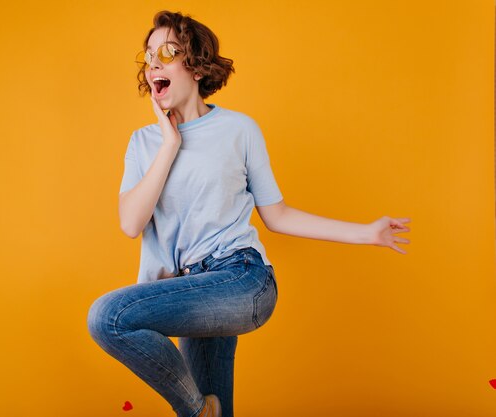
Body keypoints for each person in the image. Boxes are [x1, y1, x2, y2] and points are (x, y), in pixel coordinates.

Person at [87, 10, 411, 417]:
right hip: (191, 288)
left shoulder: (239, 130)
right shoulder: (144, 142)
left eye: (167, 51)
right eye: (147, 55)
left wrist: (367, 233)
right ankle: (201, 409)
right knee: (208, 404)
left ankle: (194, 408)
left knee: (108, 316)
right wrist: (169, 144)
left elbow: (277, 215)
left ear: (197, 66)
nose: (153, 63)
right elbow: (131, 224)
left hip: (242, 279)